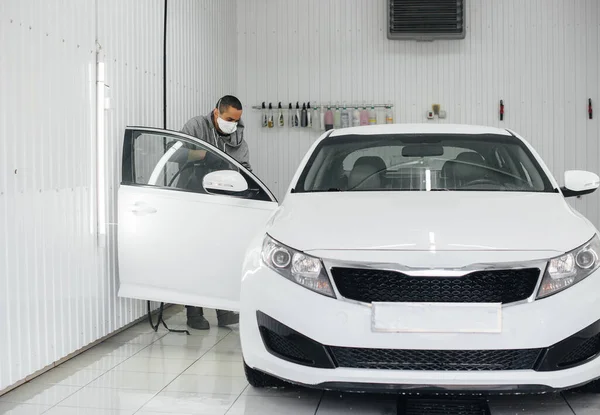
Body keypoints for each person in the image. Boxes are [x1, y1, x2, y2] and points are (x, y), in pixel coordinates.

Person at [178, 95, 251, 330]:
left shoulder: (238, 135)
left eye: (237, 120)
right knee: (194, 257)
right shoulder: (196, 126)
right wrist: (205, 156)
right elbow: (176, 154)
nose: (233, 124)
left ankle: (224, 311)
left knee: (221, 257)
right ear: (216, 112)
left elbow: (245, 168)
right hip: (194, 199)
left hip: (222, 204)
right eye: (229, 119)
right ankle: (194, 313)